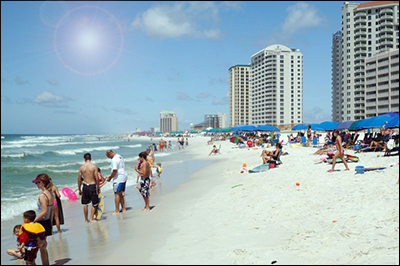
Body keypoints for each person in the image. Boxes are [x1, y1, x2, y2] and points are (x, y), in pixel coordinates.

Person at [31, 174, 54, 265]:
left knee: (36, 247)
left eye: (37, 182)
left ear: (41, 183)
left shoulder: (42, 195)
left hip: (41, 222)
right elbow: (51, 211)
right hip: (47, 222)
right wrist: (51, 225)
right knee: (43, 247)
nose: (36, 184)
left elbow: (44, 211)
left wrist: (33, 221)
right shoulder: (51, 194)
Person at [78, 153, 99, 223]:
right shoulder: (94, 167)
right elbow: (97, 178)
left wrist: (79, 188)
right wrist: (98, 187)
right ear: (90, 158)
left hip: (85, 186)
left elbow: (79, 179)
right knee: (95, 203)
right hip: (92, 185)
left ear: (84, 159)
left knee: (85, 204)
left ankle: (86, 220)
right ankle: (91, 218)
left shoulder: (81, 167)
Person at [105, 150, 128, 215]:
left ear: (110, 154)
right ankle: (123, 208)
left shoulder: (114, 159)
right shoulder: (119, 156)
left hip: (118, 178)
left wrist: (110, 177)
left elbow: (115, 170)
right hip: (123, 176)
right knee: (120, 193)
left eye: (108, 157)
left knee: (117, 194)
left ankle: (117, 210)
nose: (109, 158)